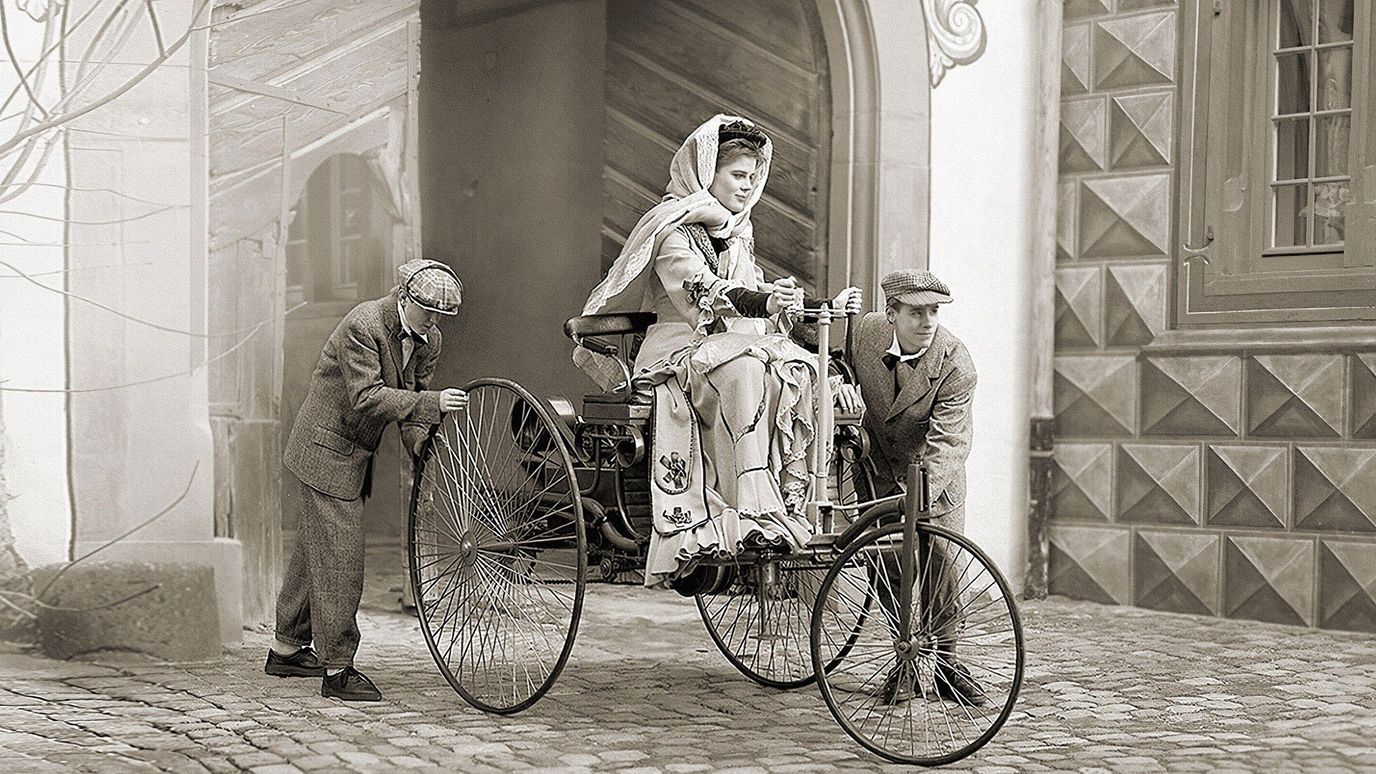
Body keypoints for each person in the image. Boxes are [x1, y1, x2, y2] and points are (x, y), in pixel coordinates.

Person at [575, 114, 860, 589]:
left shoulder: (736, 233)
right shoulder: (672, 231)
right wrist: (762, 300)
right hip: (677, 349)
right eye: (737, 176)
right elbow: (704, 293)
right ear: (707, 173)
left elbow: (754, 291)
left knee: (794, 368)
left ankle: (790, 500)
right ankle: (746, 510)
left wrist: (810, 305)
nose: (748, 187)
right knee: (748, 366)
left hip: (727, 346)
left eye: (754, 177)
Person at [265, 258, 468, 702]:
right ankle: (337, 669)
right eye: (428, 311)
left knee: (314, 550)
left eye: (441, 317)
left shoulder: (428, 339)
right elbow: (366, 397)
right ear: (404, 298)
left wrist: (420, 445)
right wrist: (432, 404)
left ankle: (285, 648)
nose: (433, 322)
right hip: (325, 448)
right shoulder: (364, 324)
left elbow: (412, 397)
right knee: (340, 558)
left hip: (353, 452)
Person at [834, 269, 985, 707]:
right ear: (891, 313)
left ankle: (947, 665)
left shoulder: (956, 364)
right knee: (889, 567)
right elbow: (832, 354)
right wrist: (840, 380)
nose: (928, 322)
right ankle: (904, 661)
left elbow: (949, 443)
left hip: (933, 477)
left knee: (940, 564)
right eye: (916, 312)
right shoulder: (866, 333)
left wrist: (916, 500)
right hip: (879, 470)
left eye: (934, 312)